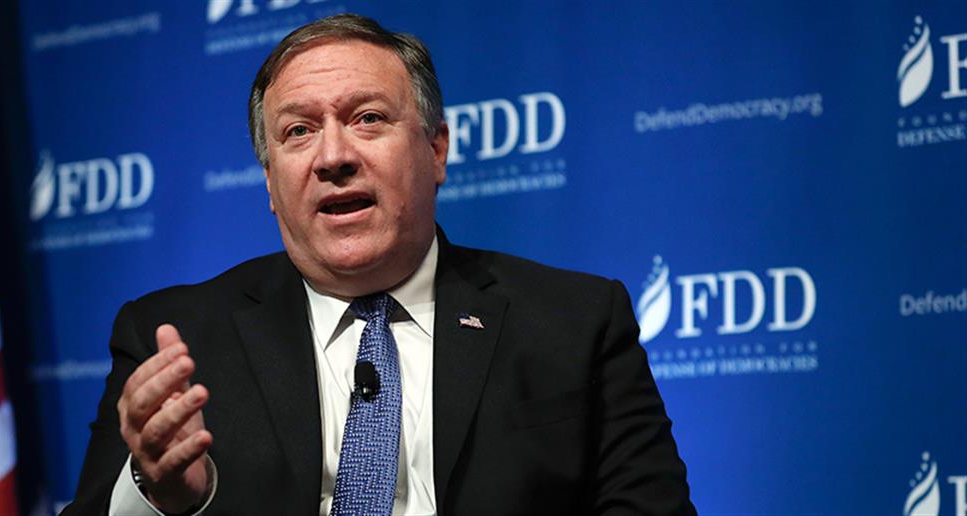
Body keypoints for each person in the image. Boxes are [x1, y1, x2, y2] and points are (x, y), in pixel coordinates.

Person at [63, 13, 694, 516]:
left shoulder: (576, 321)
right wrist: (160, 497)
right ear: (269, 182)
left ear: (436, 149)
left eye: (367, 119)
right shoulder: (175, 338)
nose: (333, 156)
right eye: (298, 131)